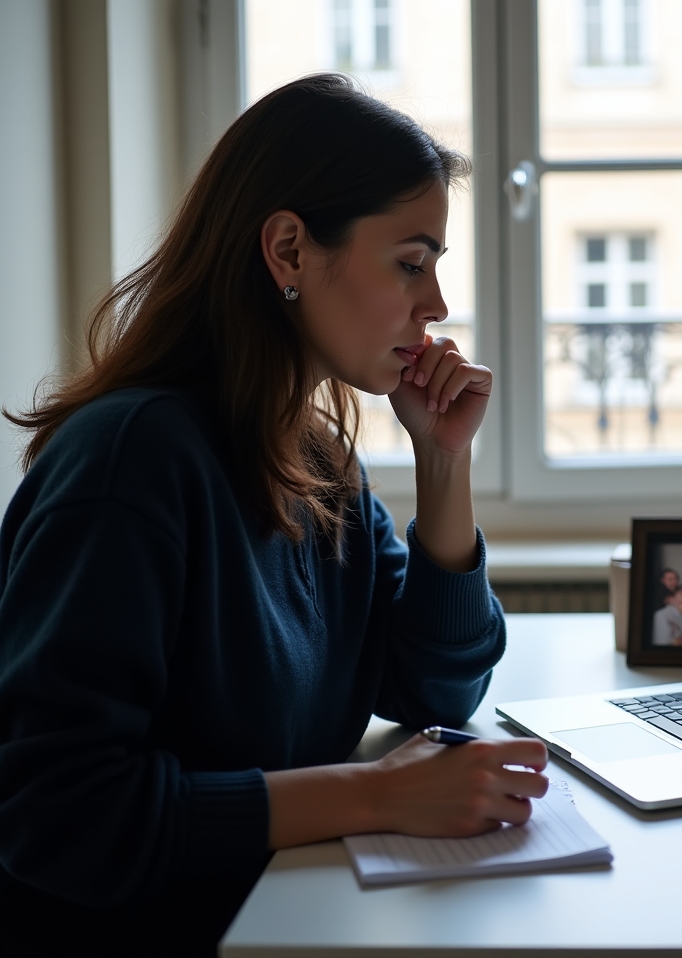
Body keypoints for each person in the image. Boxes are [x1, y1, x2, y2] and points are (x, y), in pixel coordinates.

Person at [0, 75, 548, 957]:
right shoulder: (132, 463)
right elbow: (61, 814)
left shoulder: (318, 459)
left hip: (278, 916)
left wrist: (443, 460)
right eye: (411, 262)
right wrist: (373, 797)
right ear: (289, 250)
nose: (437, 305)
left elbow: (433, 692)